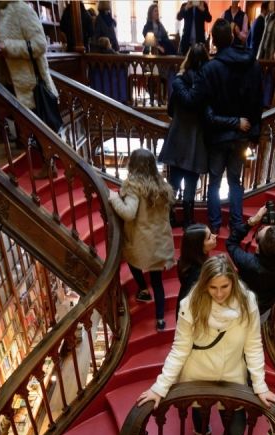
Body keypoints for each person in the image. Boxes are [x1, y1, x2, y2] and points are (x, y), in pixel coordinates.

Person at [138, 255, 275, 435]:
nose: (219, 293)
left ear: (233, 281)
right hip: (198, 374)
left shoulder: (247, 302)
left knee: (236, 428)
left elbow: (253, 346)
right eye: (213, 288)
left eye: (225, 286)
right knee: (200, 420)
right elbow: (180, 349)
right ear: (205, 284)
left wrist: (260, 386)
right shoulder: (191, 304)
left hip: (232, 375)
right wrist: (160, 387)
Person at [171, 19, 263, 234]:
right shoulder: (253, 64)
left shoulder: (210, 69)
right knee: (234, 181)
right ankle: (236, 223)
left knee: (214, 182)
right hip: (242, 133)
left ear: (213, 39)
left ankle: (214, 225)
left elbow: (201, 107)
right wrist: (251, 130)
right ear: (232, 37)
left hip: (217, 136)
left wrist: (178, 82)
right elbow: (258, 100)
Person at [107, 149, 175, 331]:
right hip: (159, 240)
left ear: (133, 165)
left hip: (142, 239)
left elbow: (129, 214)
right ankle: (160, 320)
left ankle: (143, 289)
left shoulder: (133, 186)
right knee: (158, 280)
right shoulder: (162, 185)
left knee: (130, 258)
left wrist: (114, 198)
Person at [0, 0, 57, 178]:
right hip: (12, 81)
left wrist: (9, 48)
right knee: (30, 127)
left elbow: (40, 44)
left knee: (40, 126)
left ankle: (49, 165)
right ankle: (47, 164)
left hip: (31, 83)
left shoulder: (20, 9)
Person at [160, 43, 209, 227]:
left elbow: (171, 110)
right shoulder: (207, 83)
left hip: (178, 136)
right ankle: (189, 220)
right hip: (197, 140)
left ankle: (170, 218)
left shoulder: (180, 80)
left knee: (173, 181)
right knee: (191, 182)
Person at [225, 204, 275, 318]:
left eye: (261, 231)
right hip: (264, 309)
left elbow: (231, 243)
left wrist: (252, 221)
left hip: (242, 306)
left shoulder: (247, 262)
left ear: (258, 247)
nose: (263, 227)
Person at [176, 224, 217, 317]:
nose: (215, 236)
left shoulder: (186, 260)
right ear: (199, 246)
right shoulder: (199, 274)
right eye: (209, 237)